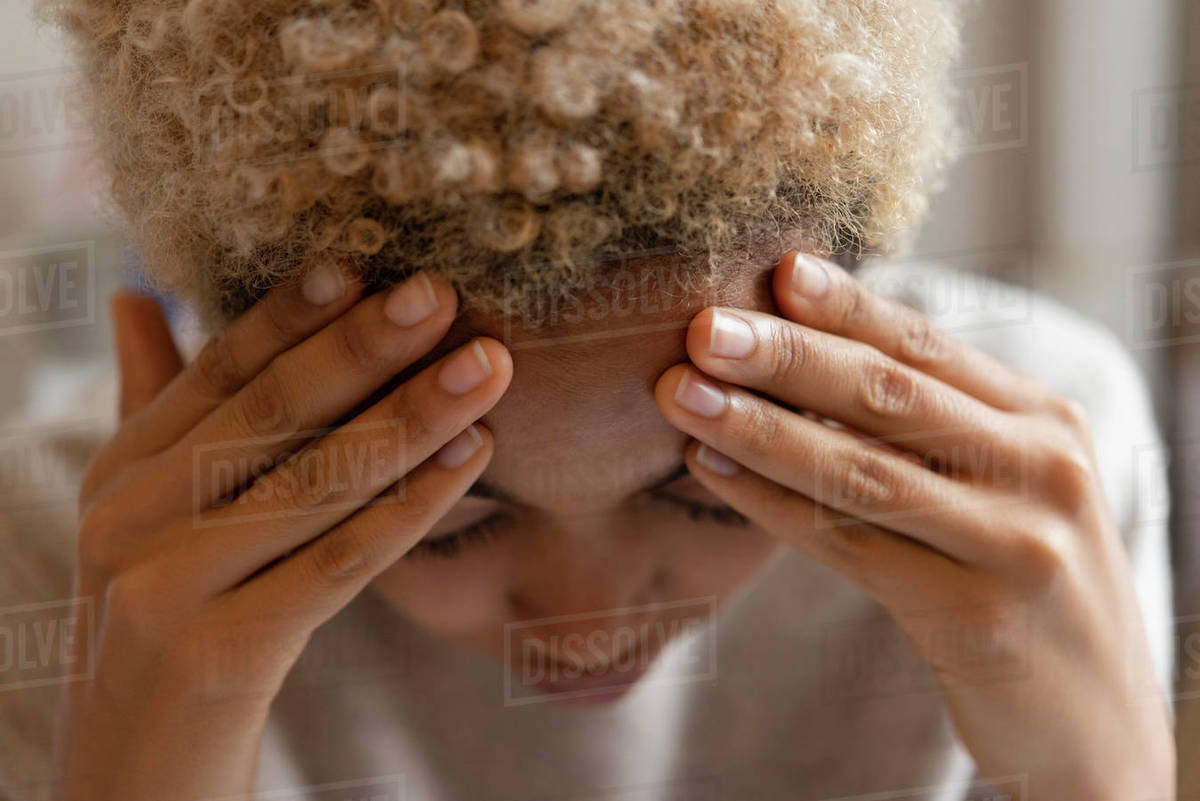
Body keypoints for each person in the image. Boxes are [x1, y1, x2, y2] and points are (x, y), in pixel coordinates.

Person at [1, 0, 1175, 798]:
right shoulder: (78, 551)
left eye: (717, 495)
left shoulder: (1025, 491)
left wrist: (1094, 770)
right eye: (452, 516)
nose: (583, 629)